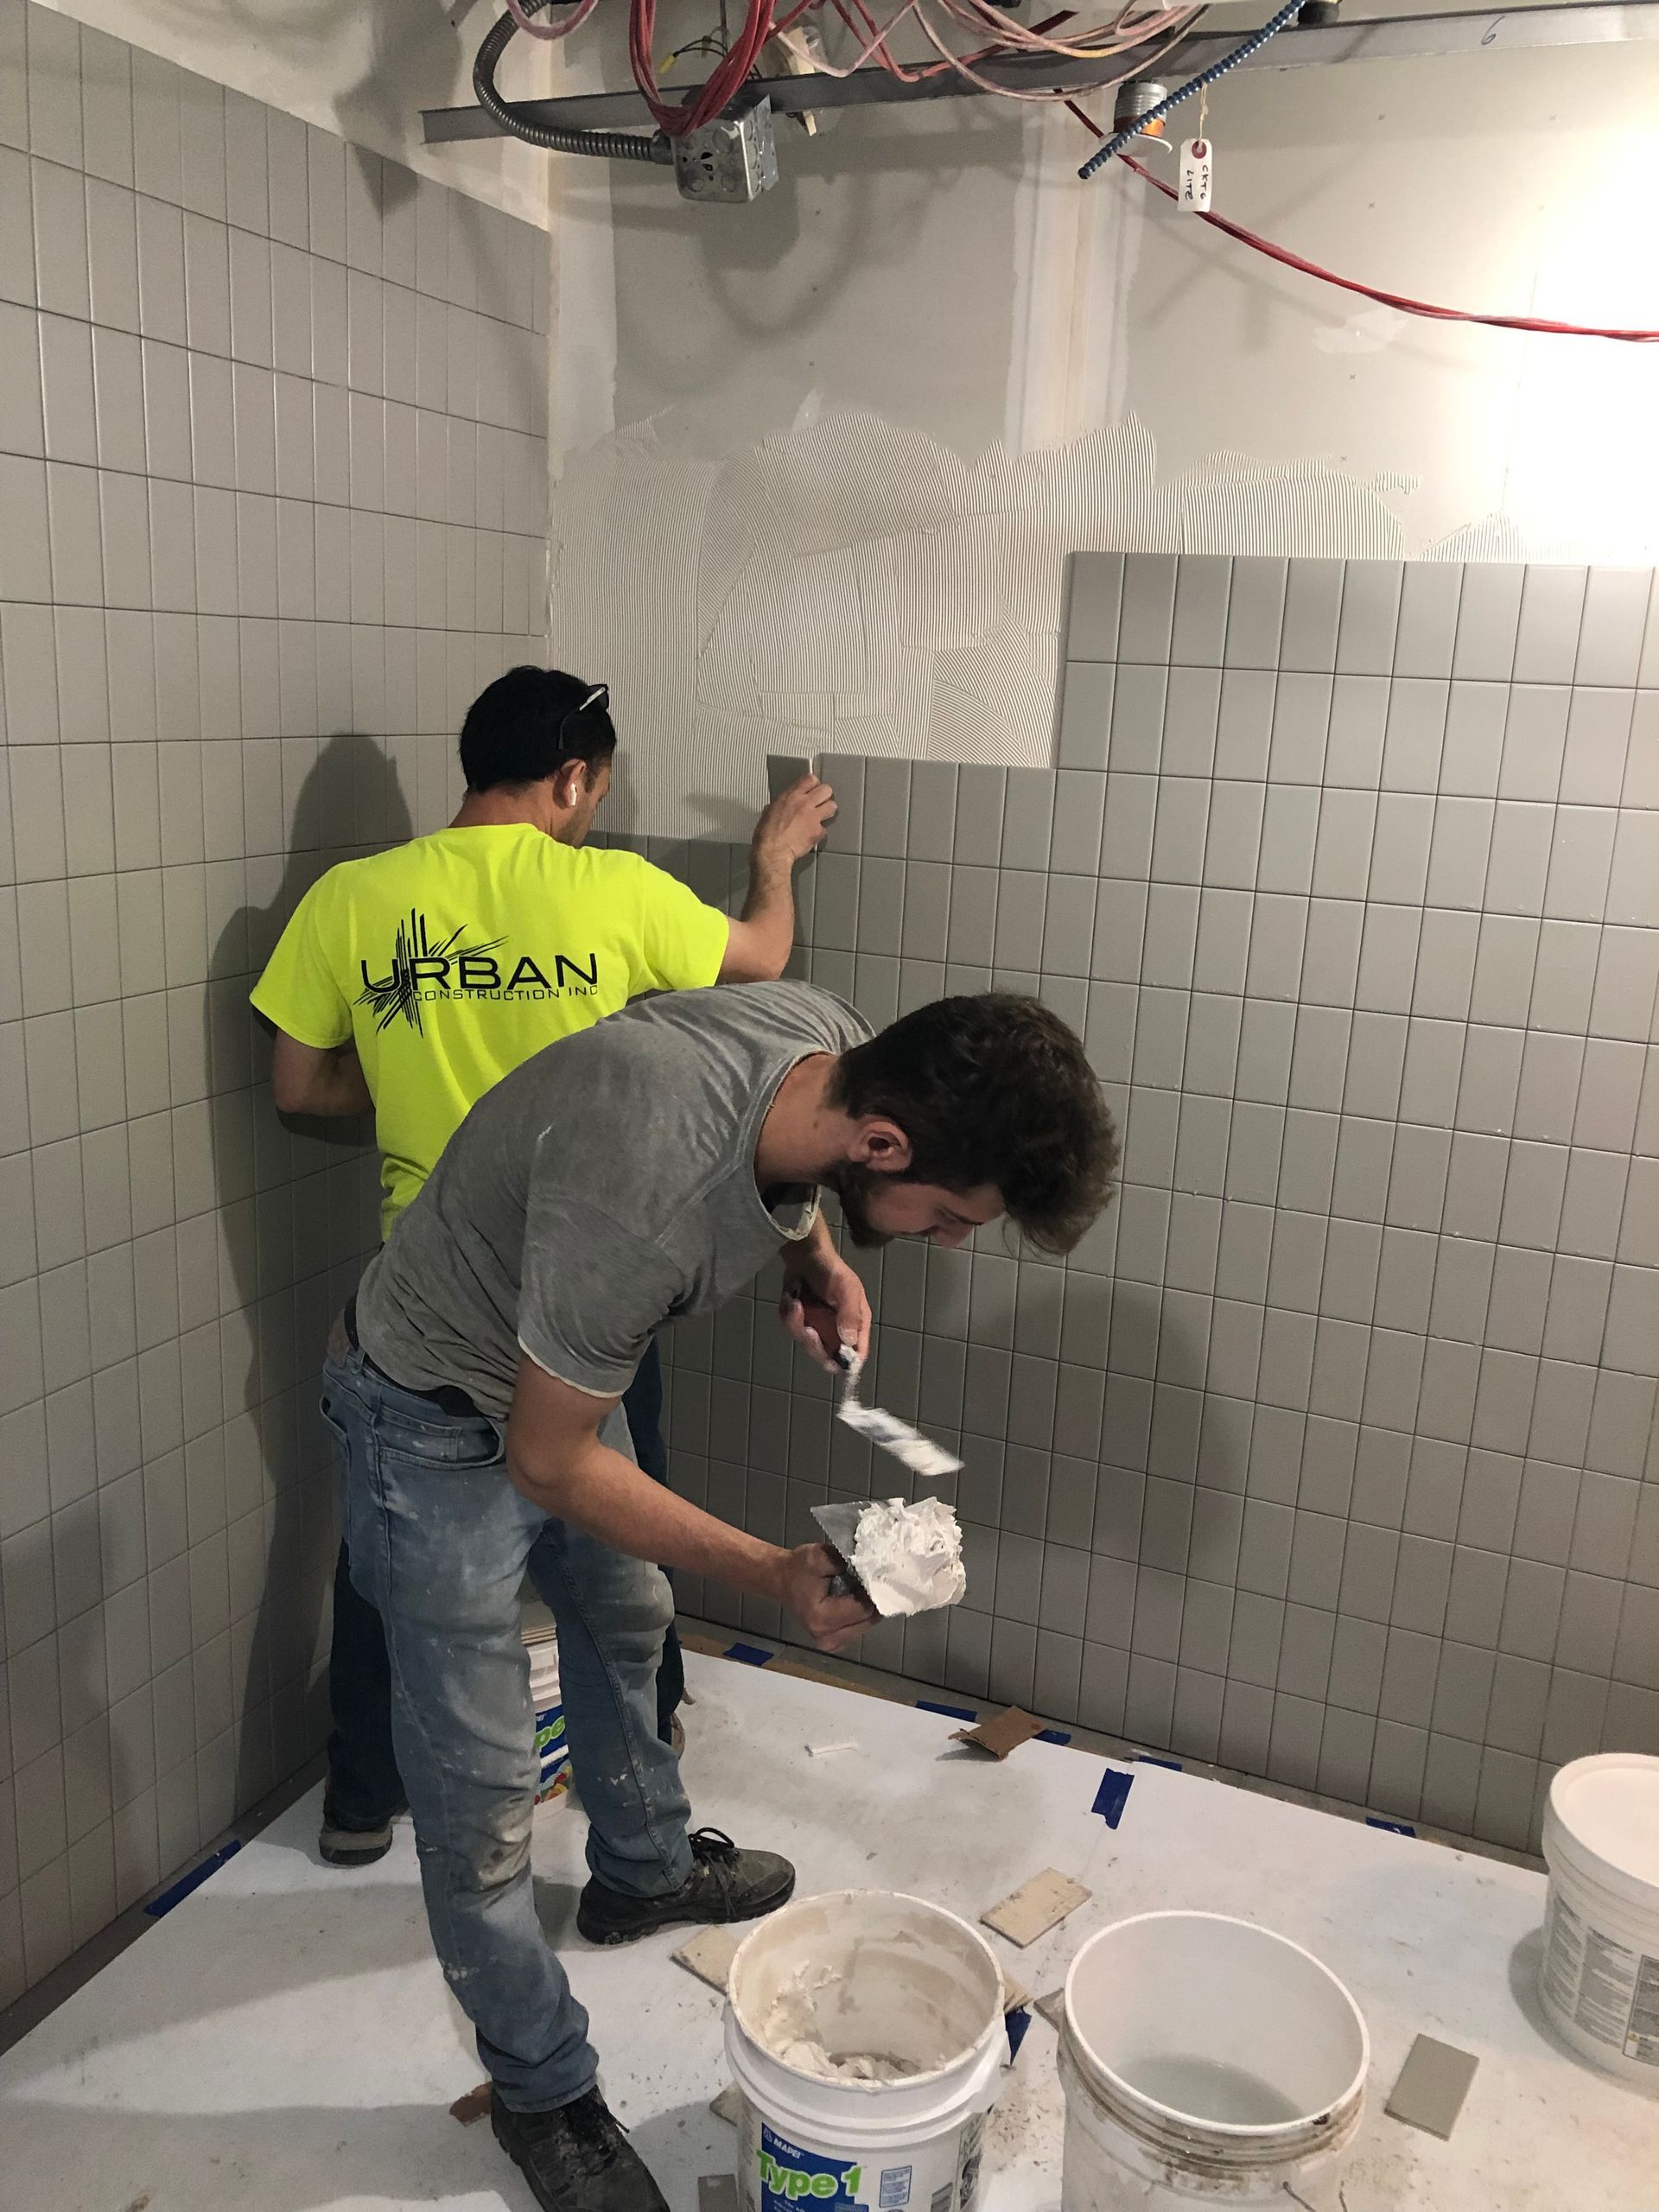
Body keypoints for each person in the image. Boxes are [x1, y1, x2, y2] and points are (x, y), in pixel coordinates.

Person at [325, 981, 1117, 2212]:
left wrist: (813, 1251)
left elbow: (697, 1076)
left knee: (627, 1613)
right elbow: (548, 1462)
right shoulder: (640, 1204)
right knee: (480, 1796)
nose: (955, 1243)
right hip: (428, 1417)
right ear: (884, 1144)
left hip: (549, 1368)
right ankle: (542, 2092)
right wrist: (771, 1572)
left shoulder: (826, 1038)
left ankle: (640, 1873)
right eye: (954, 1216)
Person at [250, 666, 835, 1866]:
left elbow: (299, 1087)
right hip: (589, 1282)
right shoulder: (610, 891)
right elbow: (763, 964)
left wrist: (409, 1075)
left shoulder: (352, 899)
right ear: (570, 778)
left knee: (390, 1558)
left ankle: (359, 1801)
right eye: (596, 791)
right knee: (621, 1532)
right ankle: (646, 1744)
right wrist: (774, 858)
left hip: (424, 1295)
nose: (591, 812)